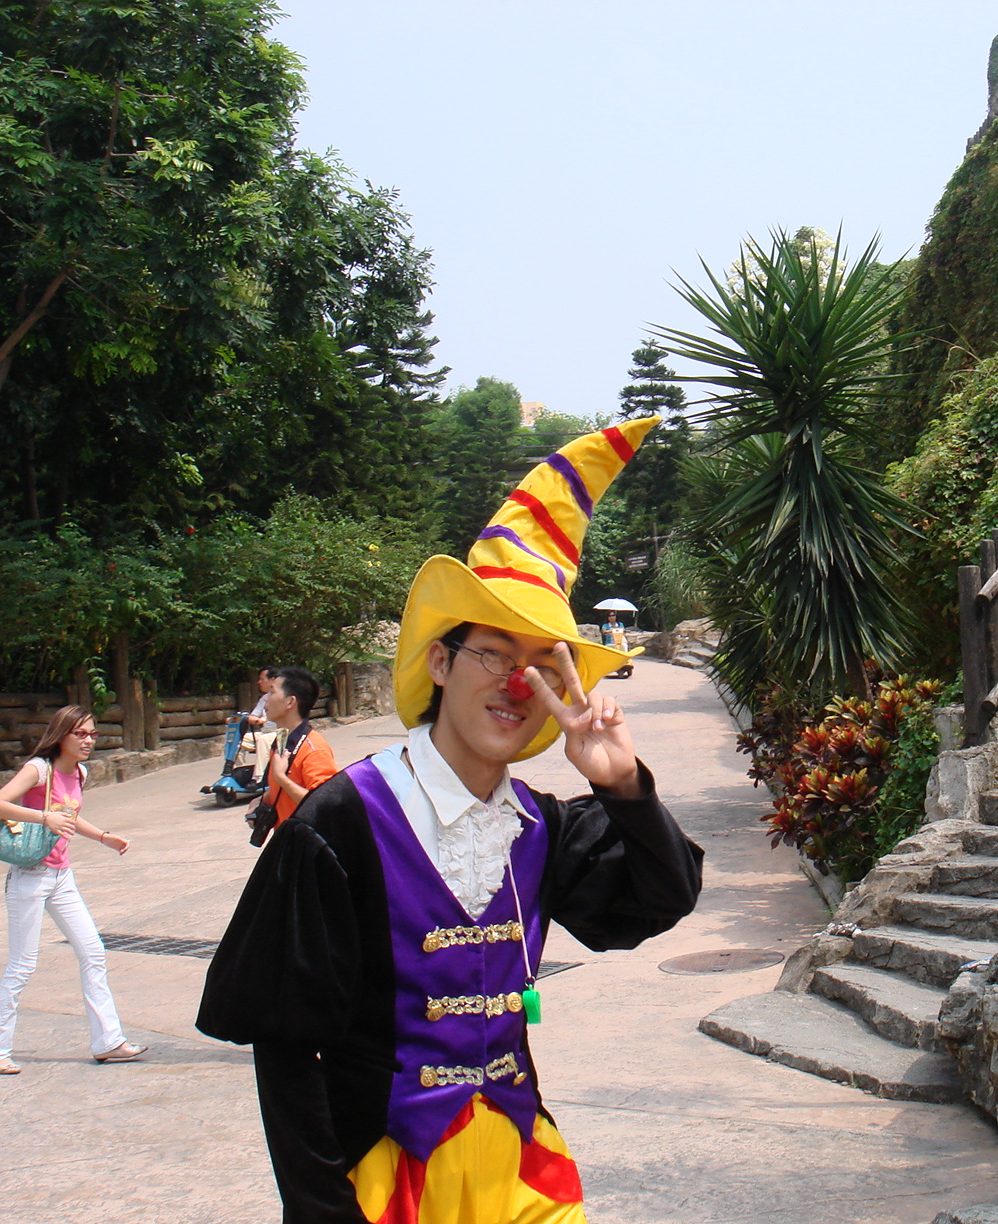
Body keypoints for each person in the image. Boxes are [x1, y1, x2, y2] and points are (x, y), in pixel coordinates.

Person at [197, 416, 701, 1224]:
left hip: (523, 1170)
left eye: (541, 666)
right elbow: (285, 1047)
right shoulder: (342, 823)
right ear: (440, 660)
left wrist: (622, 787)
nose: (517, 683)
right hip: (383, 1178)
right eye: (495, 653)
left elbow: (658, 900)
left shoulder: (538, 825)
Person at [0, 705, 145, 1074]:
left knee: (93, 952)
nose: (88, 741)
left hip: (61, 877)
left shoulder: (80, 772)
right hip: (29, 876)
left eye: (93, 734)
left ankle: (108, 1041)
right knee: (22, 965)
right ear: (62, 735)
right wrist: (44, 816)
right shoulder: (39, 769)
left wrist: (103, 837)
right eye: (80, 734)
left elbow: (69, 814)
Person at [244, 665, 339, 846]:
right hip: (287, 844)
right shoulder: (282, 741)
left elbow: (325, 808)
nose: (266, 699)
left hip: (309, 850)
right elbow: (283, 790)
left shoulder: (314, 748)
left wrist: (281, 778)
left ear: (290, 702)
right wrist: (261, 800)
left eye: (272, 692)